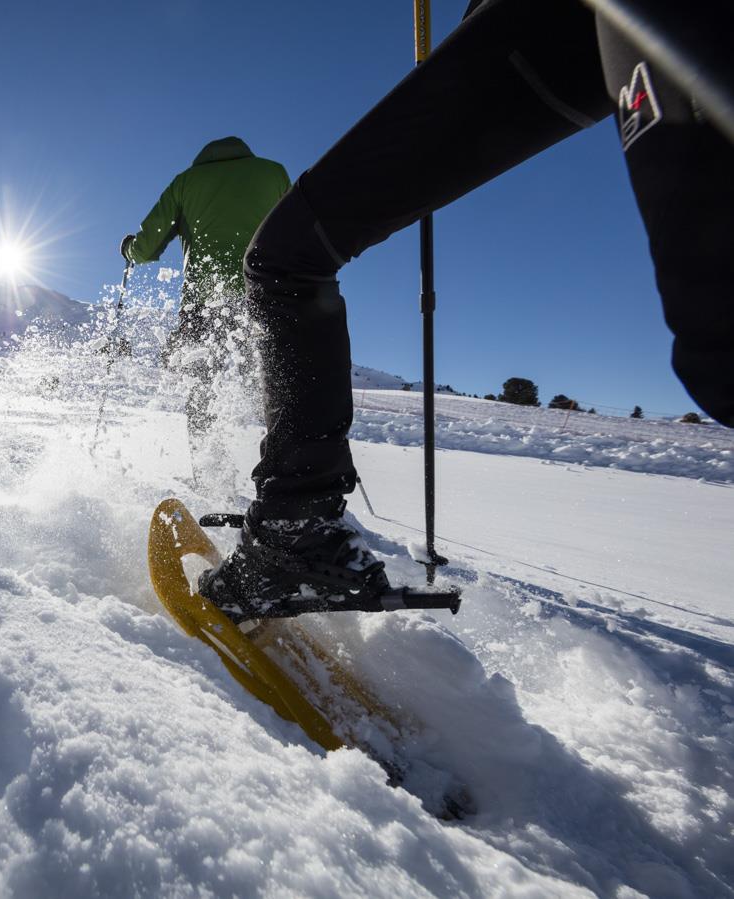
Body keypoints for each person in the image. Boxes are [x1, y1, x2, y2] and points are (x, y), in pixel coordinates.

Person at [199, 0, 734, 615]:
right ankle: (293, 532)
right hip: (532, 26)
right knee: (286, 257)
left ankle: (293, 534)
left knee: (719, 347)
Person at [120, 136, 291, 468]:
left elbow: (146, 248)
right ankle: (289, 482)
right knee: (276, 386)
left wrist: (129, 248)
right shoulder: (274, 173)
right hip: (265, 292)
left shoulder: (186, 182)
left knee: (202, 391)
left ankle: (210, 474)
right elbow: (298, 230)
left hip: (205, 301)